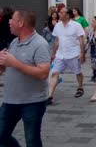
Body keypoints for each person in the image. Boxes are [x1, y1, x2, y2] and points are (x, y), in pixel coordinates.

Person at [0, 10, 50, 147]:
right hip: (10, 100)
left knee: (32, 140)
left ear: (21, 23)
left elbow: (43, 73)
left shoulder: (40, 44)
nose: (9, 22)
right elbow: (8, 68)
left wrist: (14, 63)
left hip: (33, 102)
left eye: (12, 20)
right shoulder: (15, 42)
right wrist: (2, 64)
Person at [48, 7, 86, 105]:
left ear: (68, 15)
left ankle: (80, 87)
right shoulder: (57, 26)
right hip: (60, 54)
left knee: (77, 72)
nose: (59, 14)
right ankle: (50, 96)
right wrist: (53, 54)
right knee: (54, 73)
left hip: (73, 54)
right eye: (59, 13)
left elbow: (81, 40)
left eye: (61, 13)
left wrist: (82, 54)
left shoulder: (76, 25)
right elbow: (56, 41)